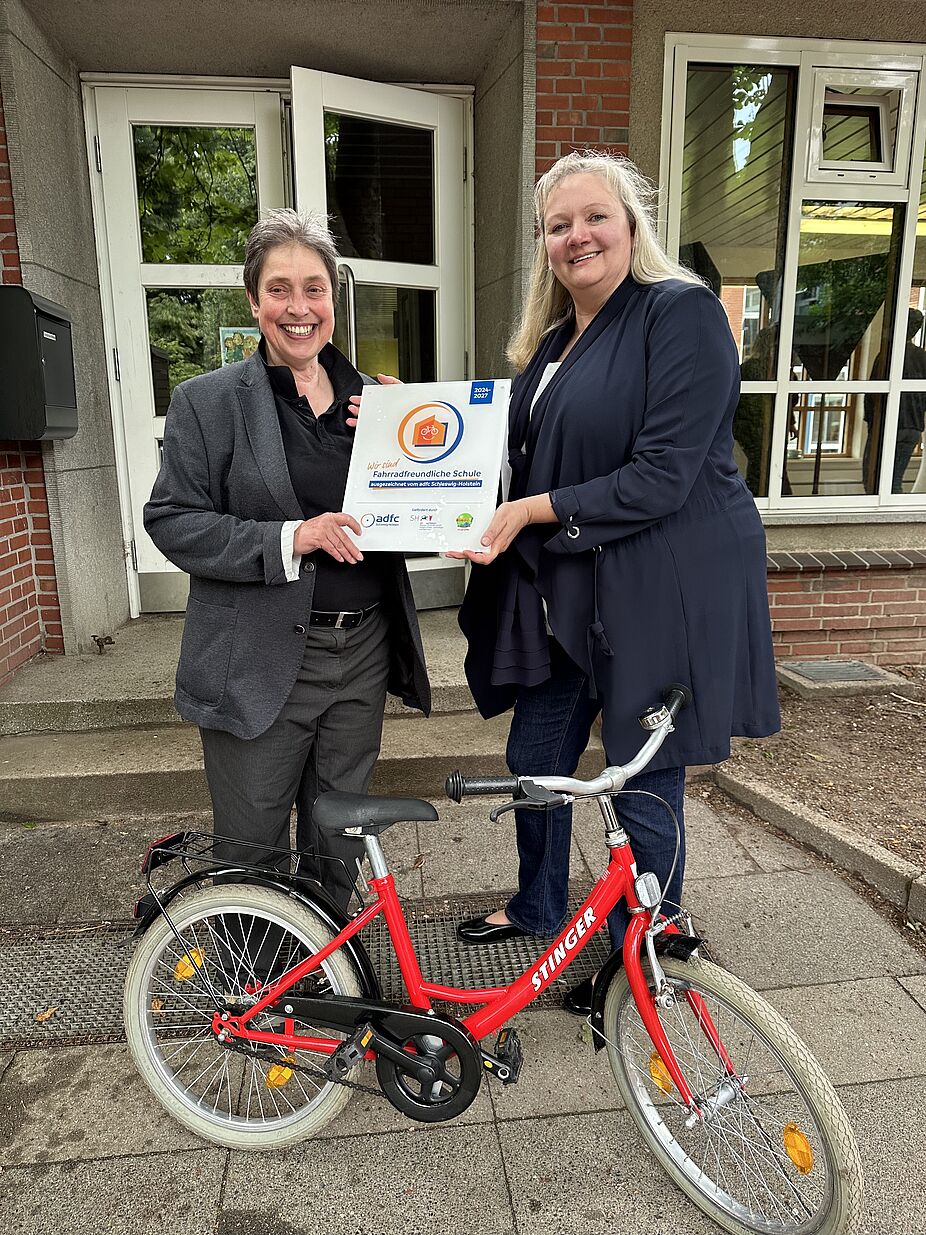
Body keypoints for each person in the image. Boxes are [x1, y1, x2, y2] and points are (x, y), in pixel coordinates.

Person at [450, 151, 780, 1014]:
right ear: (544, 245)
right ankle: (538, 904)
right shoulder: (556, 341)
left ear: (633, 224)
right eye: (558, 225)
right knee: (537, 757)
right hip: (574, 586)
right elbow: (519, 452)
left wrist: (531, 513)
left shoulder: (682, 313)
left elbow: (663, 474)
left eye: (594, 216)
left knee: (643, 770)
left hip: (658, 583)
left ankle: (654, 941)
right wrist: (411, 428)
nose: (577, 236)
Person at [144, 209, 430, 911]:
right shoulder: (207, 402)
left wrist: (417, 445)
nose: (298, 309)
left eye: (315, 288)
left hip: (360, 650)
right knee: (252, 843)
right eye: (279, 289)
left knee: (341, 836)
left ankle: (328, 980)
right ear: (253, 299)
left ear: (335, 298)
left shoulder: (381, 403)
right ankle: (256, 995)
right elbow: (172, 520)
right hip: (258, 656)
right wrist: (290, 538)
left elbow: (416, 520)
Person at [863, 308, 926, 494]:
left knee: (874, 481)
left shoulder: (888, 355)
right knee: (893, 481)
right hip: (912, 427)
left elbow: (872, 395)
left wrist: (873, 427)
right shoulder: (922, 357)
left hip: (890, 426)